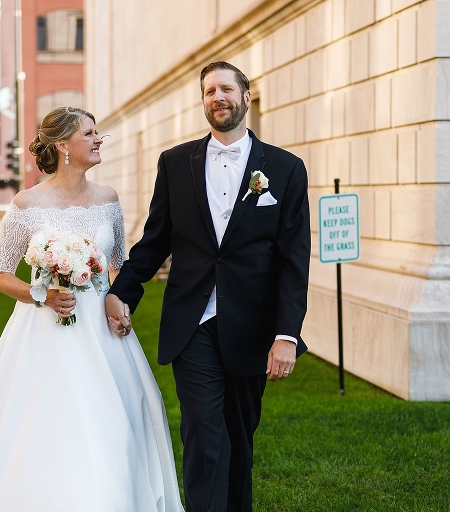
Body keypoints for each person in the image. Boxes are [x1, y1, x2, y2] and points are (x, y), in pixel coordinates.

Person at [0, 106, 184, 512]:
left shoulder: (108, 200)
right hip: (43, 329)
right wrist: (41, 295)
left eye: (98, 134)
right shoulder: (27, 204)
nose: (99, 140)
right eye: (90, 133)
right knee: (43, 424)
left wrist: (117, 303)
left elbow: (117, 264)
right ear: (63, 145)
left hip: (100, 329)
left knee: (113, 422)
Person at [106, 61, 311, 512]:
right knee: (202, 435)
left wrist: (286, 335)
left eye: (225, 89)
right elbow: (155, 238)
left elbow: (294, 261)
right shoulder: (176, 163)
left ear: (245, 97)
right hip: (192, 323)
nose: (217, 97)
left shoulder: (285, 168)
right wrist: (120, 290)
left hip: (253, 329)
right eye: (208, 91)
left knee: (239, 440)